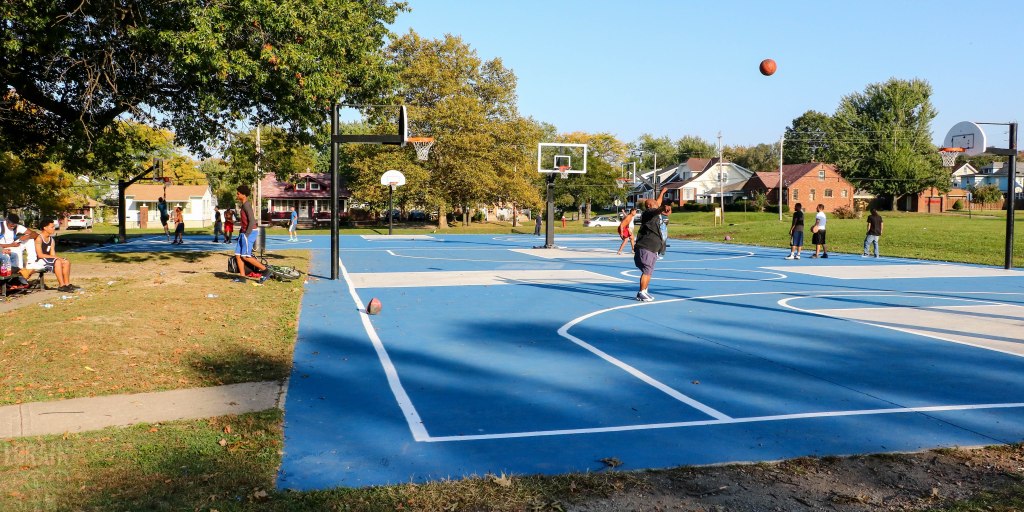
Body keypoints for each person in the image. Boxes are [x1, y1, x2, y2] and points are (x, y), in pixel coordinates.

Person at [633, 188, 668, 302]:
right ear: (649, 205)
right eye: (654, 203)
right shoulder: (648, 213)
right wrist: (663, 208)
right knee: (647, 270)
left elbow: (658, 202)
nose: (657, 204)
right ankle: (641, 292)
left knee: (649, 270)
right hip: (646, 246)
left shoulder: (654, 210)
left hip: (653, 248)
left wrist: (662, 193)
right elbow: (657, 210)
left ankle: (645, 290)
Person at [28, 218, 77, 292]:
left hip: (47, 259)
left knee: (66, 262)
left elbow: (53, 254)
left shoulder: (51, 240)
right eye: (52, 227)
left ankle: (67, 284)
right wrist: (57, 259)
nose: (54, 228)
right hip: (39, 260)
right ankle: (61, 285)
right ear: (45, 228)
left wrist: (59, 259)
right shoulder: (39, 238)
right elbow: (40, 255)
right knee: (57, 261)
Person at [234, 185, 268, 283]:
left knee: (245, 256)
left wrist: (246, 234)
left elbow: (252, 221)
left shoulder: (247, 205)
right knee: (238, 255)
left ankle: (265, 270)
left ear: (243, 195)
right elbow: (244, 221)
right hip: (243, 233)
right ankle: (242, 278)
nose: (237, 195)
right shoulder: (243, 204)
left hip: (249, 233)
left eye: (238, 193)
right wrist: (241, 233)